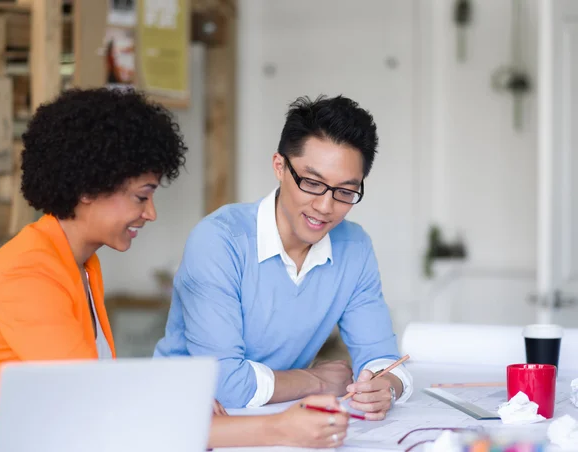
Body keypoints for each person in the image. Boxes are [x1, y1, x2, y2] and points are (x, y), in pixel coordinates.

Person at [0, 88, 349, 452]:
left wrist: (177, 399)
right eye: (141, 196)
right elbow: (98, 413)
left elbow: (97, 387)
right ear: (87, 189)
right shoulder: (29, 278)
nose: (151, 213)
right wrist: (279, 429)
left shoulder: (79, 263)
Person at [155, 94, 414, 419]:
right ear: (280, 166)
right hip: (184, 415)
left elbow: (384, 359)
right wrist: (316, 381)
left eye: (345, 192)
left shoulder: (354, 247)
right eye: (311, 182)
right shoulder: (220, 241)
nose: (325, 206)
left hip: (275, 415)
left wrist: (384, 386)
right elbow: (226, 385)